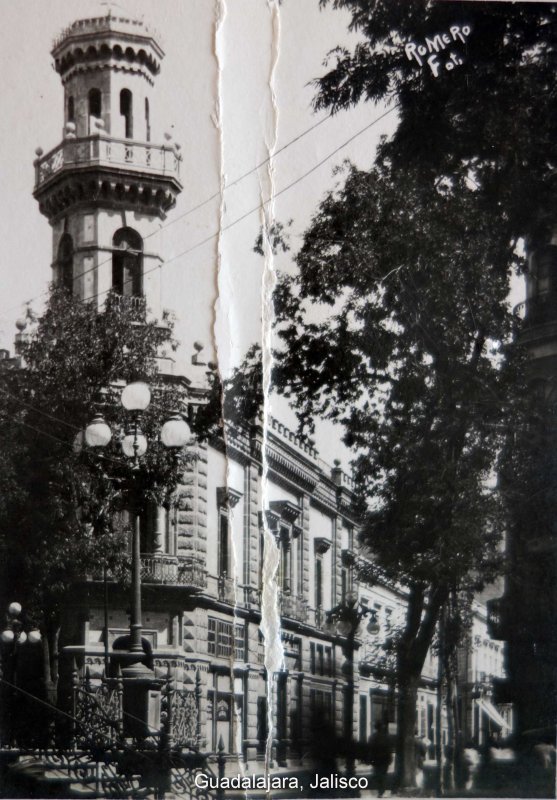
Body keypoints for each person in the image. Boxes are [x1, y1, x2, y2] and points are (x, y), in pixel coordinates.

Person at [369, 721, 393, 798]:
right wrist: (390, 758)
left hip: (376, 759)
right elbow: (389, 749)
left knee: (377, 774)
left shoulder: (372, 737)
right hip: (384, 759)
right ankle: (381, 791)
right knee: (383, 774)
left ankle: (379, 790)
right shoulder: (386, 736)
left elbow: (370, 748)